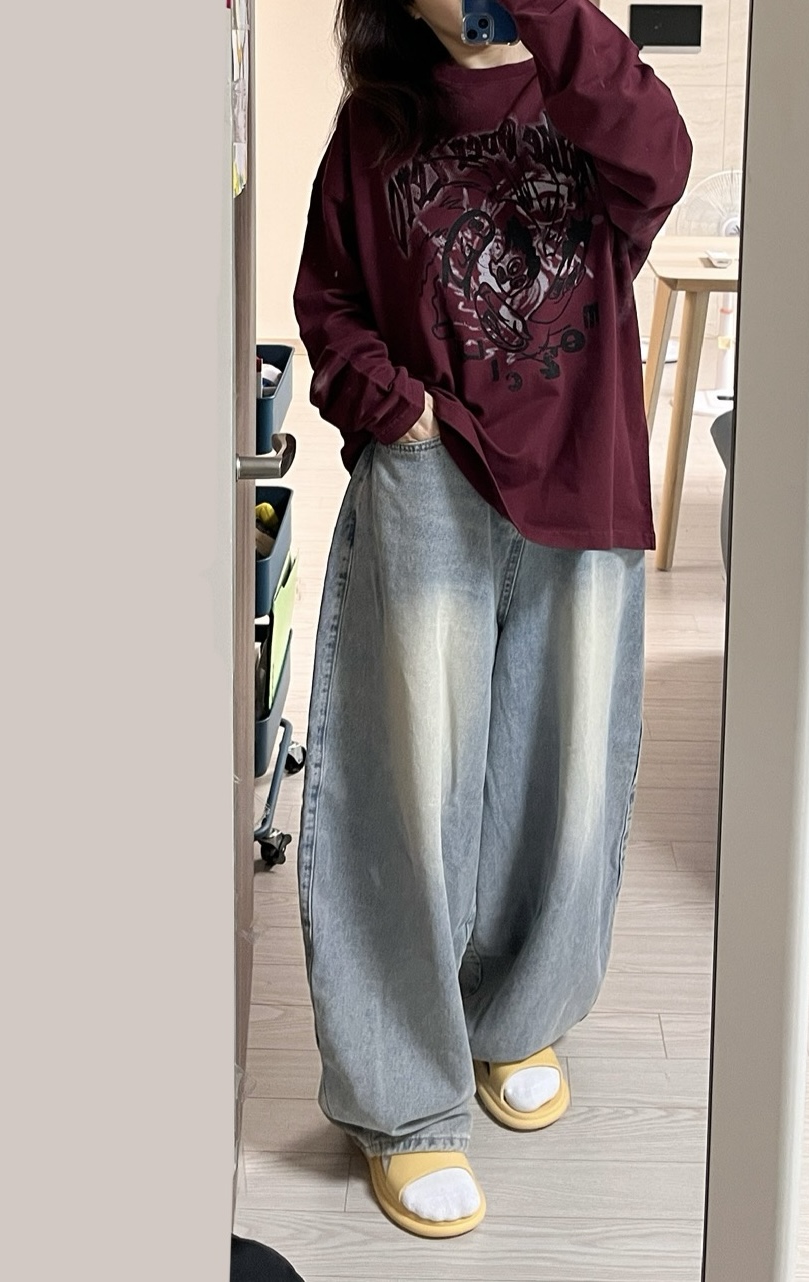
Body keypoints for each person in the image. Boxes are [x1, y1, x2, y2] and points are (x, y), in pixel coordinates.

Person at [292, 0, 691, 1238]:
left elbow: (660, 164)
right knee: (409, 784)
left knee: (564, 774)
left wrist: (552, 14)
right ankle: (404, 1096)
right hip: (431, 482)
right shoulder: (376, 129)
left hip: (583, 475)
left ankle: (517, 1015)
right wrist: (394, 408)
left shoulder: (588, 95)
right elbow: (329, 302)